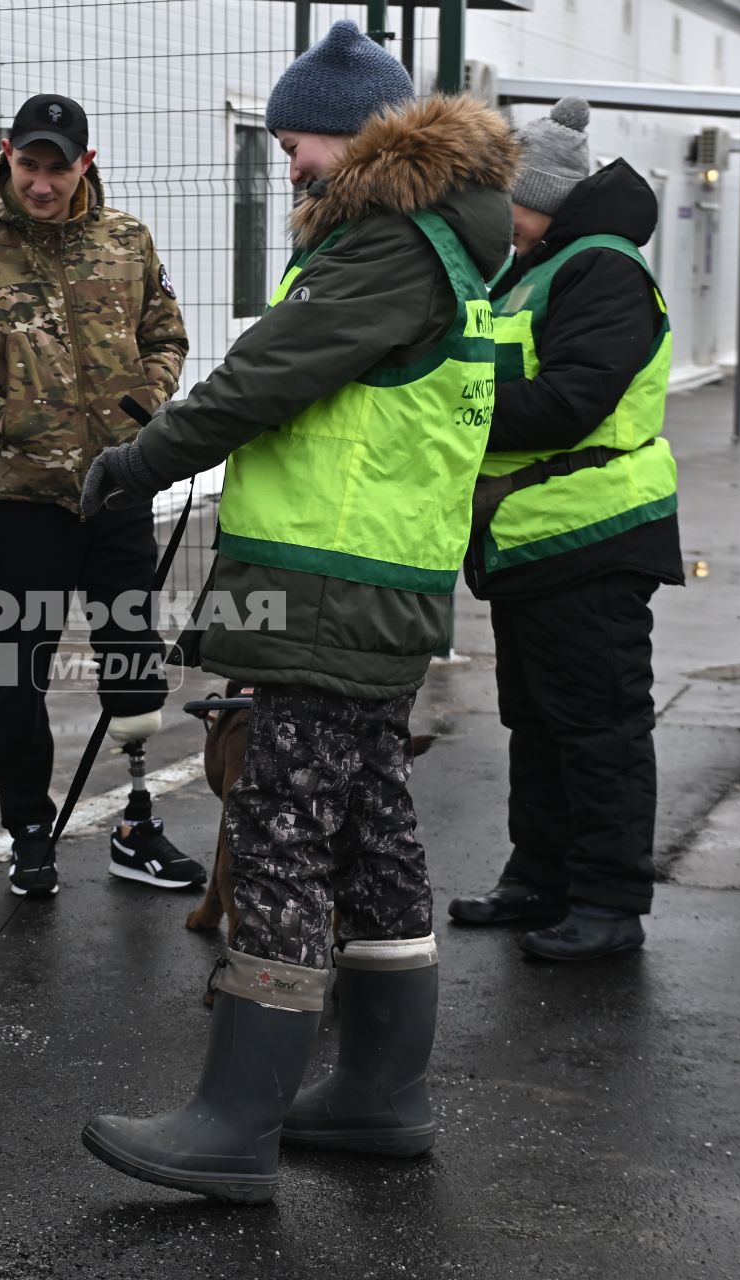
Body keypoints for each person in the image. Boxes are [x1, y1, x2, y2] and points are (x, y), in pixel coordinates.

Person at [74, 21, 517, 1201]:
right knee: (372, 827)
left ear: (366, 133)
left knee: (279, 832)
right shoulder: (446, 244)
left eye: (297, 138)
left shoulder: (385, 243)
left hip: (329, 595)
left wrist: (140, 460)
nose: (287, 160)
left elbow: (269, 377)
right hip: (377, 590)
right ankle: (379, 1092)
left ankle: (234, 1119)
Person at [0, 93, 201, 899]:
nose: (41, 183)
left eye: (57, 167)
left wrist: (147, 405)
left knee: (134, 661)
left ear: (84, 165)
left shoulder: (126, 240)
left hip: (116, 490)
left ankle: (137, 823)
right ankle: (29, 833)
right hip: (18, 497)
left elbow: (166, 334)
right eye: (29, 165)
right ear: (7, 155)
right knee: (20, 673)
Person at [447, 99, 681, 962]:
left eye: (505, 203)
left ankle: (610, 902)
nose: (495, 221)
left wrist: (447, 417)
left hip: (593, 533)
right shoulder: (538, 267)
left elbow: (574, 399)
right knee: (538, 720)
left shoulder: (602, 270)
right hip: (533, 538)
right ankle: (539, 877)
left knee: (598, 725)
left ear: (539, 197)